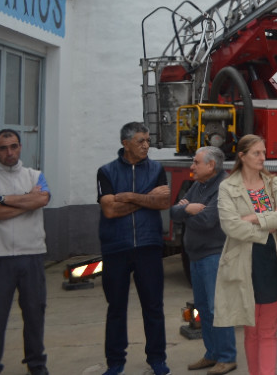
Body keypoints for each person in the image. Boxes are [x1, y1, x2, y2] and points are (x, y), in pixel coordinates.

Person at [215, 135, 277, 375]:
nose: (263, 157)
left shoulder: (273, 183)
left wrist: (253, 218)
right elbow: (231, 227)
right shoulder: (228, 187)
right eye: (256, 153)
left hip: (273, 262)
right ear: (242, 156)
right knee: (251, 329)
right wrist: (267, 226)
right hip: (243, 263)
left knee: (268, 330)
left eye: (263, 152)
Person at [96, 122, 171, 375]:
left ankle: (157, 359)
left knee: (153, 306)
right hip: (116, 247)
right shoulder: (106, 172)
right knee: (116, 308)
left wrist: (128, 196)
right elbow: (109, 209)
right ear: (125, 144)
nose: (146, 145)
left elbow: (163, 202)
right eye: (140, 141)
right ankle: (115, 362)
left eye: (147, 140)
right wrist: (146, 198)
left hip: (148, 246)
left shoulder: (157, 169)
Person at [170, 146, 237, 375]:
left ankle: (227, 357)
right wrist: (190, 209)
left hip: (214, 256)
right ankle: (212, 354)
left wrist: (185, 211)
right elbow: (173, 212)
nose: (191, 167)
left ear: (211, 165)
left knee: (218, 309)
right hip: (196, 256)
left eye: (196, 162)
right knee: (204, 309)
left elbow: (208, 221)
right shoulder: (199, 185)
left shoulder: (224, 188)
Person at [0, 129, 50, 375]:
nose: (9, 152)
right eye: (3, 148)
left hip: (32, 255)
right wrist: (26, 201)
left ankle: (36, 364)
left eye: (14, 146)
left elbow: (42, 200)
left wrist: (3, 200)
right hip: (1, 257)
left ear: (21, 147)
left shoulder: (35, 175)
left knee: (34, 313)